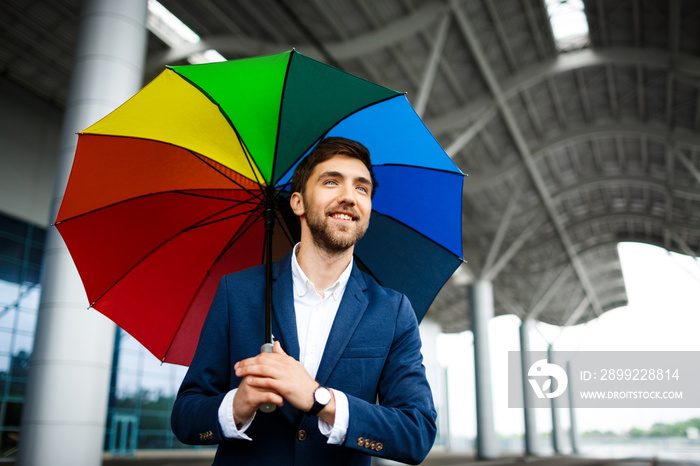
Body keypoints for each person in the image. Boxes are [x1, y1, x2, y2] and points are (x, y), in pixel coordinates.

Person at [171, 137, 436, 465]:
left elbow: (416, 432)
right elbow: (185, 416)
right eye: (330, 182)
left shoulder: (392, 311)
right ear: (297, 202)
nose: (349, 197)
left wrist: (319, 399)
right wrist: (235, 407)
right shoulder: (237, 292)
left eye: (362, 189)